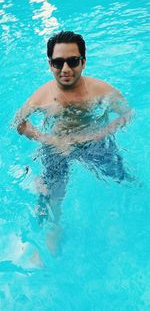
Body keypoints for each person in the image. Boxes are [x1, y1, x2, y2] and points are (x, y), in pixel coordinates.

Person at [14, 31, 132, 251]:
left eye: (73, 61)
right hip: (57, 146)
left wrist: (99, 134)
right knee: (52, 194)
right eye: (58, 62)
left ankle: (120, 213)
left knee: (124, 179)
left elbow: (127, 114)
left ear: (83, 62)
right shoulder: (41, 97)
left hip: (94, 143)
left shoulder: (100, 90)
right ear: (50, 65)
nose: (65, 69)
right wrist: (47, 139)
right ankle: (54, 227)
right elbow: (18, 123)